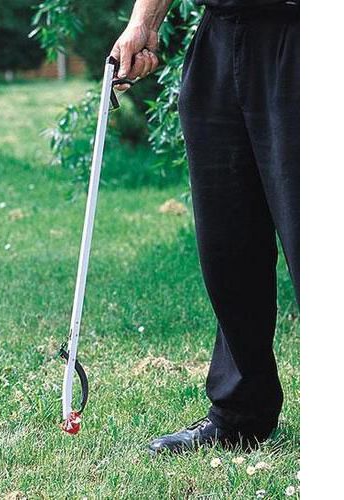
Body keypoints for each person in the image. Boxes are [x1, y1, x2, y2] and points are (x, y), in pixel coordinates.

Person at [110, 0, 300, 454]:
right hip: (220, 35)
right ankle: (240, 412)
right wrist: (143, 23)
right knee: (228, 243)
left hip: (305, 34)